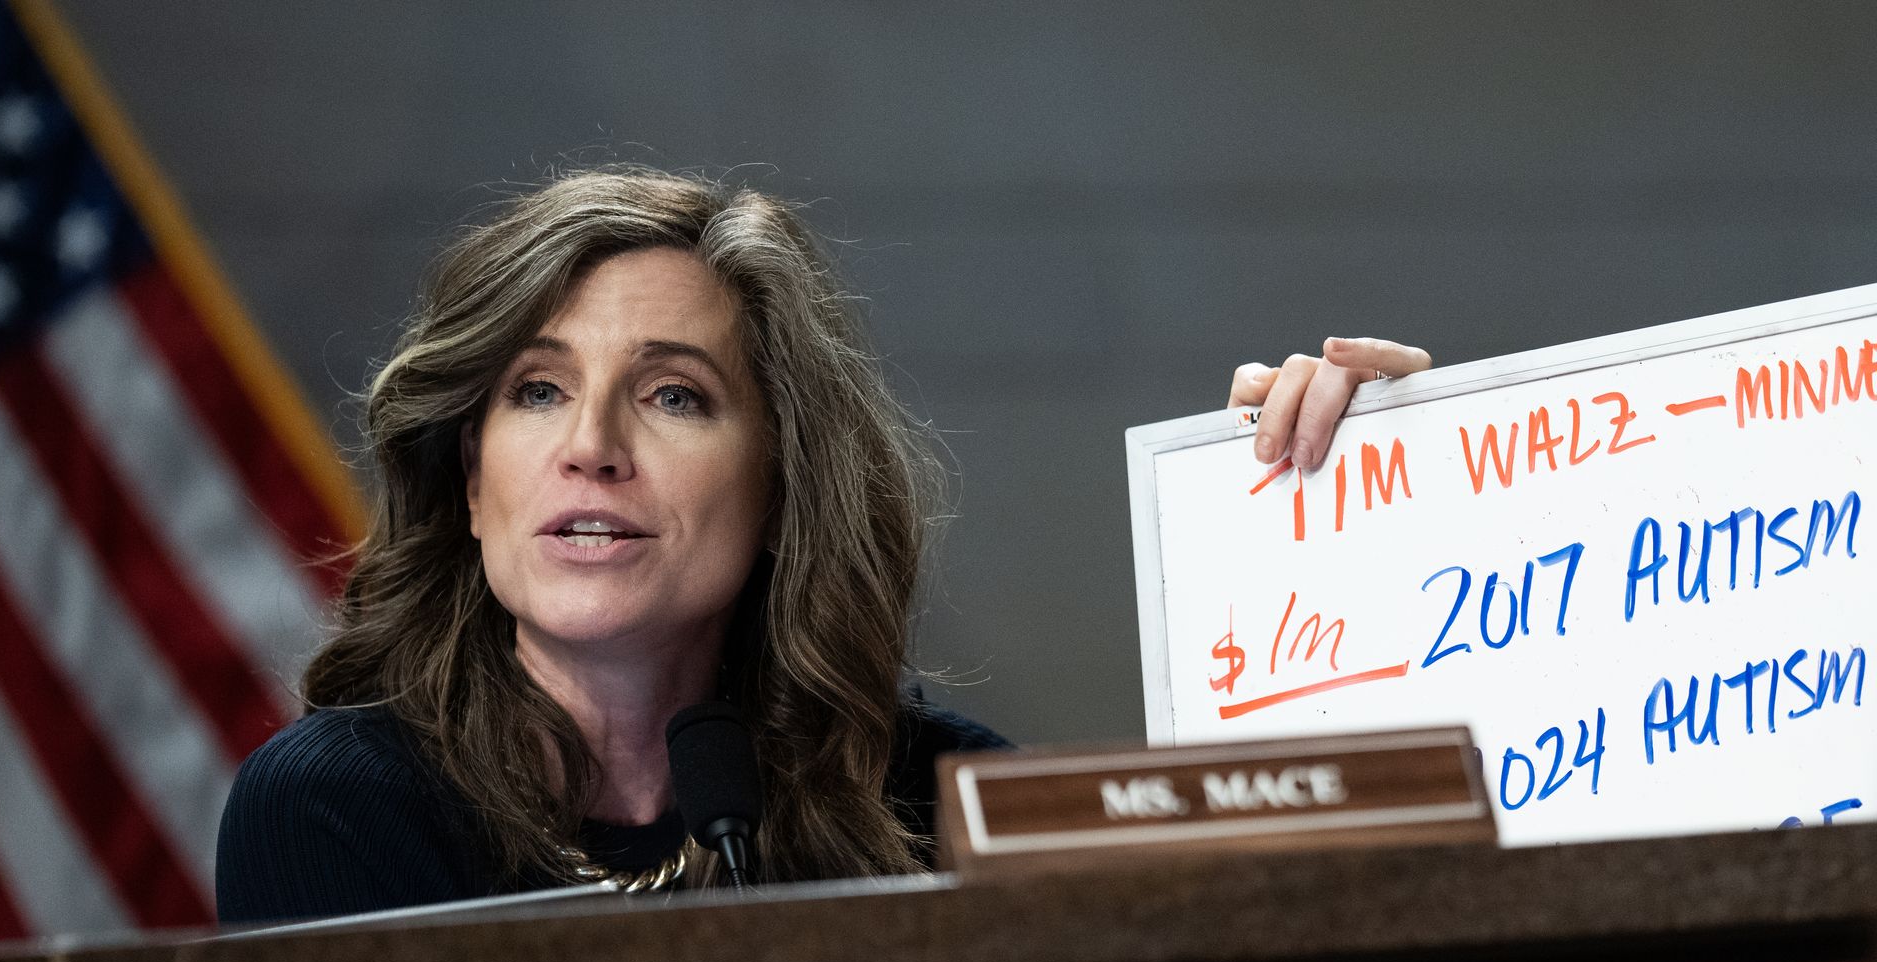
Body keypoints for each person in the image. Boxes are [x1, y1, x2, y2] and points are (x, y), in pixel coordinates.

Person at [215, 166, 1430, 923]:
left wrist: (1342, 535)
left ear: (785, 481)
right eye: (534, 392)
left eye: (674, 395)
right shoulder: (336, 813)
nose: (590, 445)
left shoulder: (939, 804)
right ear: (468, 484)